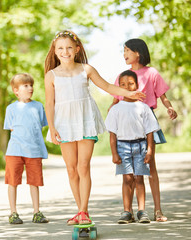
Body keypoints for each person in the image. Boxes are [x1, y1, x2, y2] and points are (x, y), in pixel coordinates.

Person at [44, 30, 146, 225]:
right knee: (71, 169)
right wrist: (52, 127)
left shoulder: (86, 69)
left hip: (85, 120)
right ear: (55, 51)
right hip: (63, 123)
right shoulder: (51, 75)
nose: (65, 51)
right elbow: (49, 104)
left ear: (77, 49)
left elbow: (108, 87)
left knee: (83, 166)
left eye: (69, 48)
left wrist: (129, 94)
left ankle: (83, 212)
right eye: (60, 48)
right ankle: (81, 210)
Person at [109, 38, 178, 222]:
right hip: (126, 122)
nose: (124, 54)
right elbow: (117, 98)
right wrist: (111, 110)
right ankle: (129, 211)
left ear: (137, 52)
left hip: (146, 121)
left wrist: (169, 107)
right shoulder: (123, 75)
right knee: (129, 173)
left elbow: (163, 97)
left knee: (149, 168)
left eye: (126, 51)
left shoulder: (152, 73)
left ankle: (157, 210)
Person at [105, 70, 160, 224]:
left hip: (141, 145)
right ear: (118, 88)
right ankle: (127, 211)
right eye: (122, 85)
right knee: (127, 179)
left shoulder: (143, 108)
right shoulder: (115, 109)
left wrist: (149, 150)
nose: (127, 87)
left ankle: (142, 211)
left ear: (137, 85)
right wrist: (114, 153)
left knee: (139, 179)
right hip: (122, 146)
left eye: (131, 84)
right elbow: (112, 135)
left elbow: (149, 131)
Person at [4, 73, 49, 224]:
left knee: (34, 182)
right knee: (12, 182)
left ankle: (37, 212)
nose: (30, 88)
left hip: (34, 151)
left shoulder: (38, 106)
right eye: (25, 86)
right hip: (15, 151)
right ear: (16, 90)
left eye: (31, 85)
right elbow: (11, 129)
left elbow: (40, 126)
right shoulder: (11, 108)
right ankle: (13, 212)